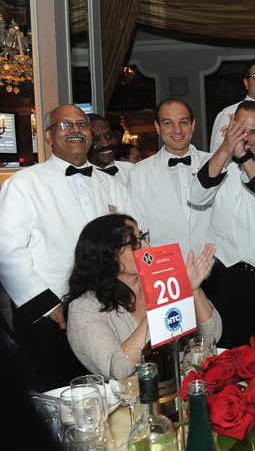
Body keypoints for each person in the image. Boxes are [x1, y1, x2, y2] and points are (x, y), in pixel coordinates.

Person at [0, 104, 129, 389]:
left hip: (107, 310)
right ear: (48, 136)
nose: (75, 131)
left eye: (82, 125)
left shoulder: (113, 186)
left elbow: (130, 245)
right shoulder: (24, 184)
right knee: (59, 399)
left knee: (110, 391)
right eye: (65, 125)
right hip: (49, 317)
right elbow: (7, 252)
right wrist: (49, 306)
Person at [65, 214, 221, 380]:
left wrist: (194, 291)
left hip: (181, 386)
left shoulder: (158, 283)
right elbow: (117, 370)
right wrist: (163, 307)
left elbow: (212, 336)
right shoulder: (83, 308)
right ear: (107, 255)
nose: (146, 246)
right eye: (133, 243)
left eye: (143, 237)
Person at [187, 100, 255, 347]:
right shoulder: (214, 163)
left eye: (254, 132)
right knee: (230, 354)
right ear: (230, 127)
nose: (247, 137)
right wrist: (225, 149)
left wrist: (243, 156)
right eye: (241, 130)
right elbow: (196, 196)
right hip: (228, 276)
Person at [127, 98, 212, 261]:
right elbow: (137, 231)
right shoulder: (139, 173)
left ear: (193, 125)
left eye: (184, 122)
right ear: (158, 127)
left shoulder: (214, 164)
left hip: (215, 267)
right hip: (165, 270)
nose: (177, 130)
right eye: (168, 123)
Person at [88, 114, 133, 183]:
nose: (106, 144)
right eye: (96, 139)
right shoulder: (76, 178)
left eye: (109, 136)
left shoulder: (131, 171)